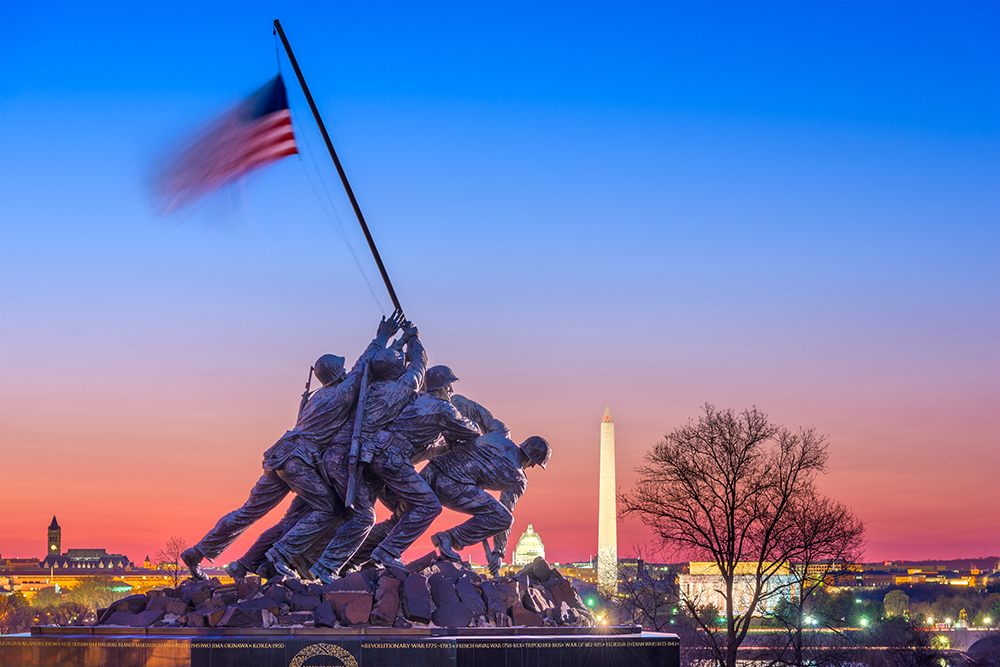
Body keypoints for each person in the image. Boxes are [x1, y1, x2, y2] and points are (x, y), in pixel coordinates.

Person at [179, 314, 401, 580]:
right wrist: (382, 337)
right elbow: (363, 366)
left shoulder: (316, 397)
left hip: (279, 455)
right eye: (341, 370)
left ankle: (198, 551)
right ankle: (280, 554)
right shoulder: (340, 395)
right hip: (299, 461)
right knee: (327, 508)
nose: (345, 372)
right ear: (338, 373)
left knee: (248, 512)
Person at [368, 394, 550, 577]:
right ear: (533, 462)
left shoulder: (500, 432)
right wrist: (498, 552)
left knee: (401, 518)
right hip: (452, 486)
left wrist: (457, 433)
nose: (532, 466)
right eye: (534, 464)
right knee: (503, 518)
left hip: (433, 469)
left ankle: (358, 555)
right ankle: (449, 538)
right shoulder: (518, 478)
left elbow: (459, 401)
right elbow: (504, 513)